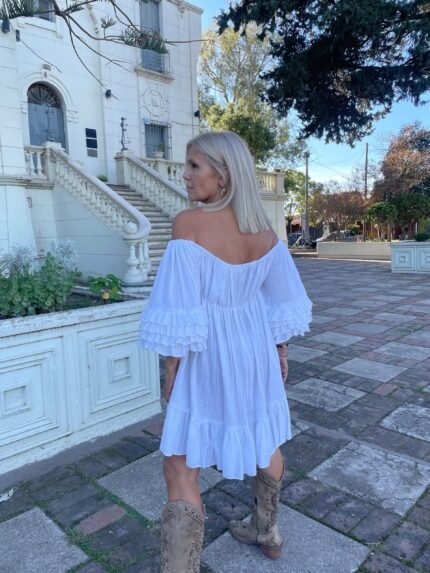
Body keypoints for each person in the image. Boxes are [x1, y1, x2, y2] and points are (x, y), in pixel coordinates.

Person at [139, 131, 312, 572]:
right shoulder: (265, 233)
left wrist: (171, 369)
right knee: (264, 438)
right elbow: (284, 298)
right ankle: (267, 531)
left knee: (180, 465)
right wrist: (280, 350)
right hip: (254, 349)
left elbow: (180, 309)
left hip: (206, 352)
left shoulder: (188, 224)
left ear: (224, 174)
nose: (185, 174)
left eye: (194, 165)